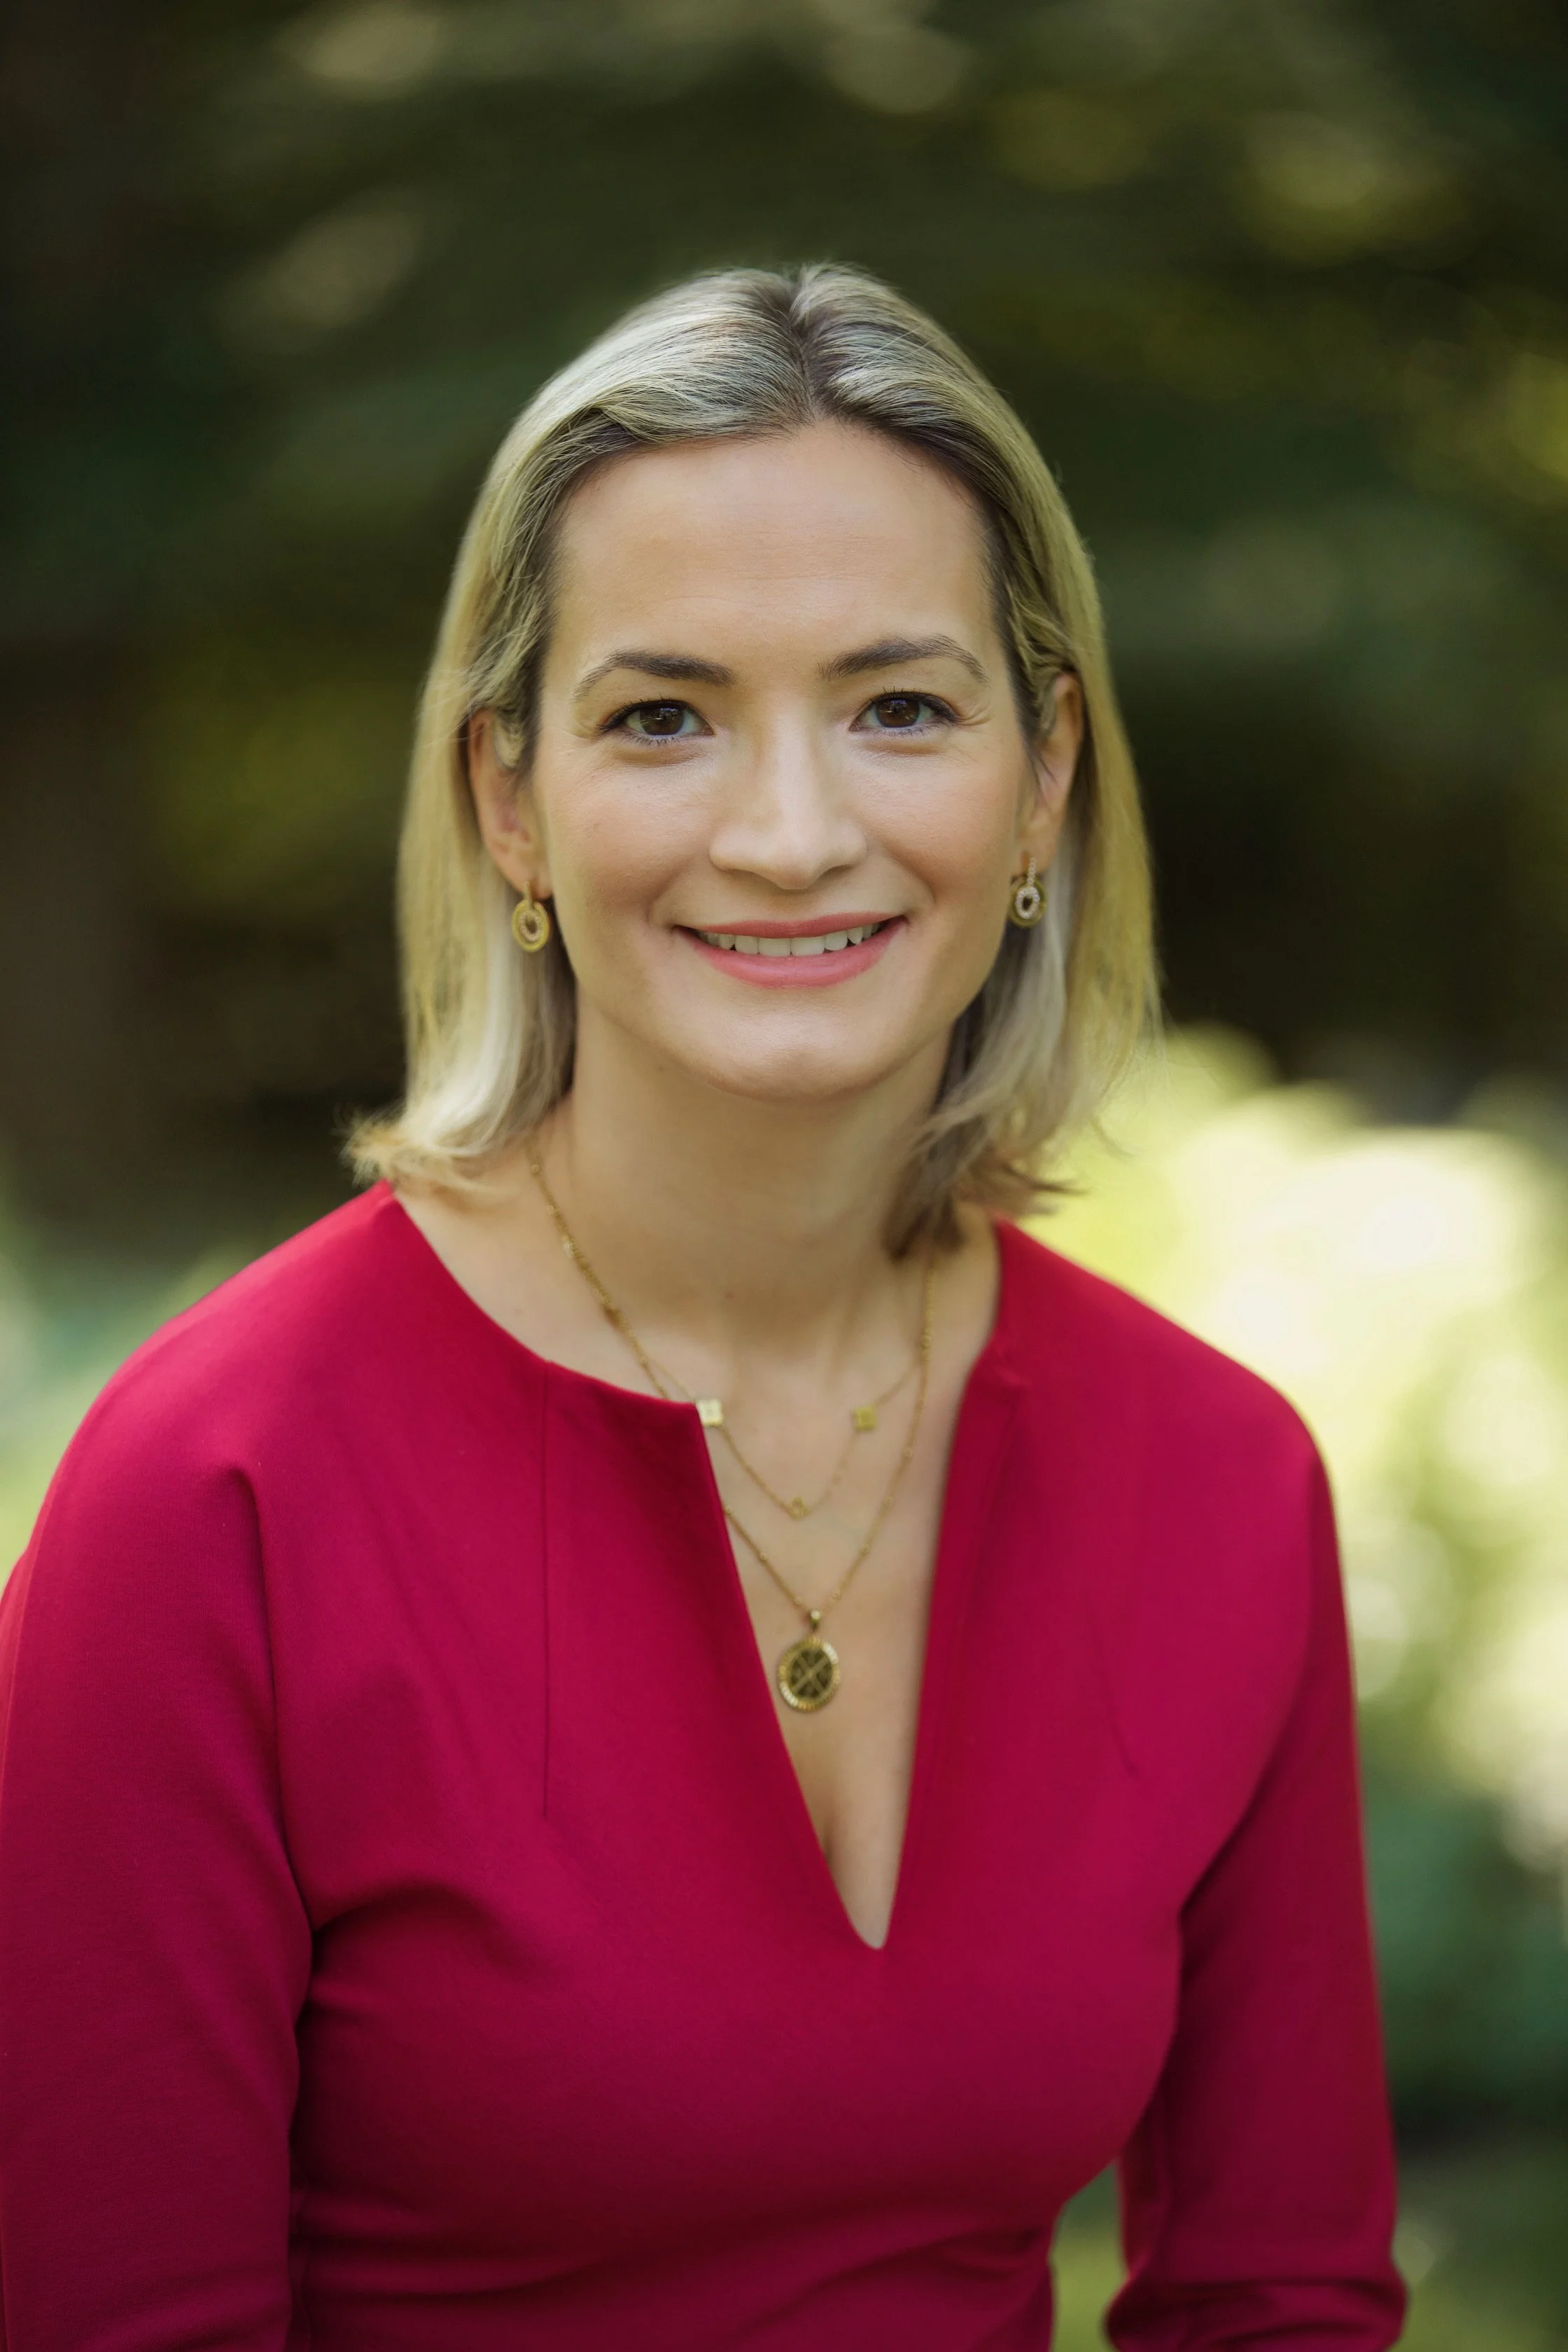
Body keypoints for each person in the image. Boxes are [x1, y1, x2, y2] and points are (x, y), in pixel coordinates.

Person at [0, 265, 1406, 2350]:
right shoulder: (220, 1492)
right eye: (664, 715)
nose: (788, 830)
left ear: (1041, 784)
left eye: (900, 706)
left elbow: (1281, 2305)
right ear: (507, 803)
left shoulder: (1212, 1475)